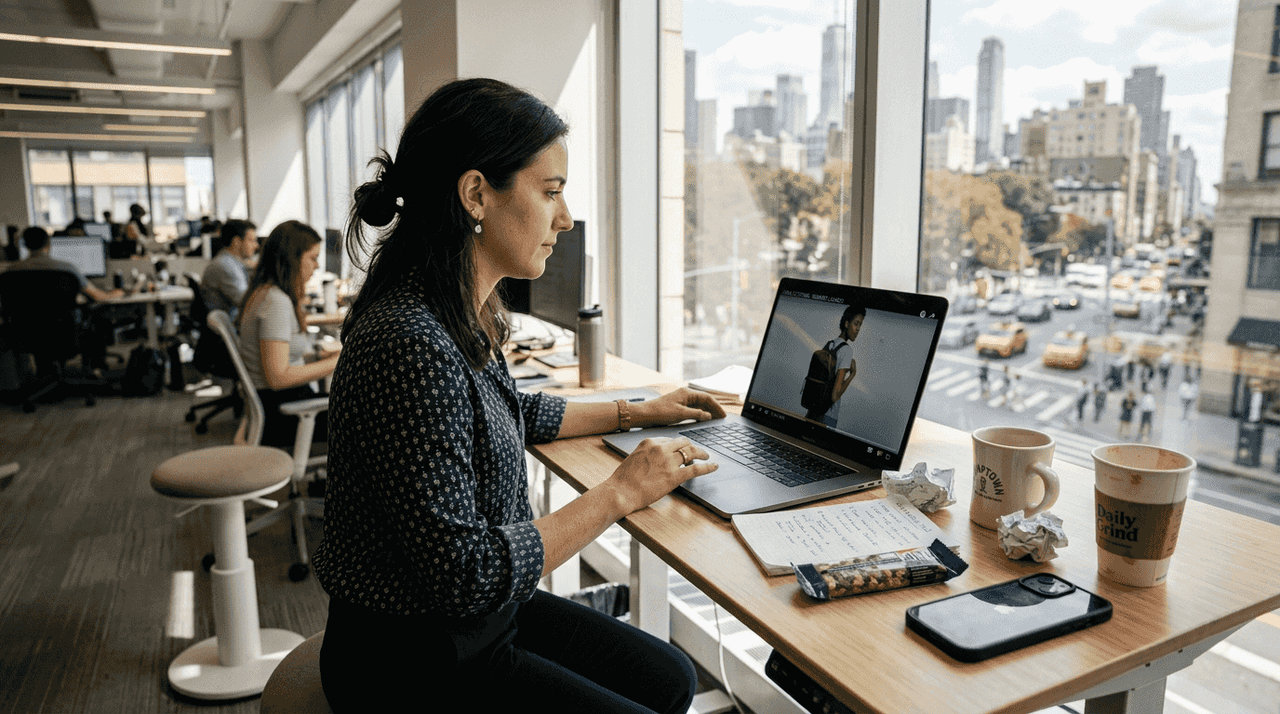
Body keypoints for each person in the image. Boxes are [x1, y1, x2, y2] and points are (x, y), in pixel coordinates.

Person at [312, 78, 725, 714]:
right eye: (552, 192)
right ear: (477, 194)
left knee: (671, 677)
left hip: (478, 620)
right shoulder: (410, 341)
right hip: (413, 658)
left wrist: (636, 411)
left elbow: (506, 414)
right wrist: (618, 493)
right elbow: (466, 575)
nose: (564, 218)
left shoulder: (457, 308)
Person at [235, 220, 340, 449]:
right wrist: (339, 361)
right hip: (283, 413)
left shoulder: (266, 293)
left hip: (278, 405)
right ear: (293, 258)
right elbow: (278, 377)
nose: (317, 265)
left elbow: (282, 358)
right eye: (312, 258)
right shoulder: (275, 302)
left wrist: (318, 356)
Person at [7, 226, 125, 368]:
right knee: (97, 318)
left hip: (24, 335)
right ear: (48, 244)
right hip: (63, 335)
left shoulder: (10, 272)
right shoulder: (66, 269)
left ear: (24, 245)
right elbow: (99, 297)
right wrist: (116, 292)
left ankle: (46, 374)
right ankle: (95, 368)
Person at [802, 304, 864, 426]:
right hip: (826, 416)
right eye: (856, 323)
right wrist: (852, 375)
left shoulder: (829, 344)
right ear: (847, 324)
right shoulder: (846, 351)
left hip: (812, 410)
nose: (858, 329)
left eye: (860, 325)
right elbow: (834, 396)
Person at [200, 219, 257, 316]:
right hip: (232, 322)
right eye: (251, 240)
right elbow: (247, 302)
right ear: (236, 242)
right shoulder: (226, 266)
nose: (256, 245)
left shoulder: (229, 262)